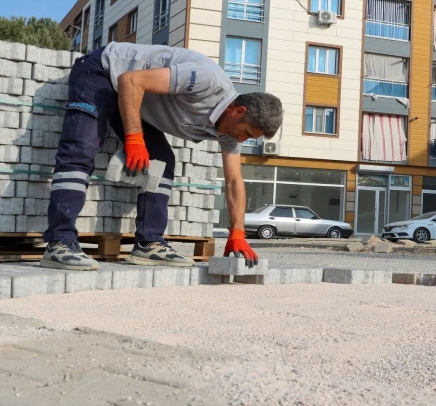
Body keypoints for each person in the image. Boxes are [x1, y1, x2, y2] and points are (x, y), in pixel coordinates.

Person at [41, 42, 283, 271]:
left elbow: (233, 182)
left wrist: (237, 233)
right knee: (81, 147)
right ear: (238, 111)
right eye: (246, 133)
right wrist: (134, 139)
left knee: (162, 161)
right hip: (103, 72)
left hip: (133, 97)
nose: (241, 141)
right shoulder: (207, 81)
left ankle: (149, 243)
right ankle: (59, 242)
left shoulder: (230, 133)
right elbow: (131, 80)